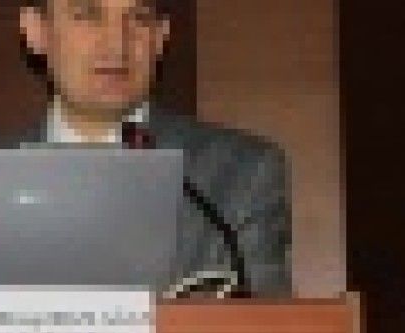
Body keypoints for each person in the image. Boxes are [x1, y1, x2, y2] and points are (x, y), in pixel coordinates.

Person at [17, 0, 291, 297]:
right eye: (87, 15)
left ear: (160, 36)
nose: (117, 46)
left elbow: (261, 321)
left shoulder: (241, 176)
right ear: (36, 31)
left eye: (139, 18)